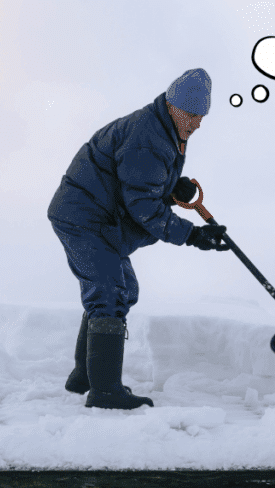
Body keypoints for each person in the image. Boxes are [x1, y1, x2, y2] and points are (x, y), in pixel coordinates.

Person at [47, 68, 230, 410]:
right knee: (110, 292)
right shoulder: (149, 136)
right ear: (172, 105)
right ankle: (104, 392)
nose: (196, 124)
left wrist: (173, 184)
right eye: (190, 115)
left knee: (121, 289)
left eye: (201, 117)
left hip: (99, 216)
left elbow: (136, 179)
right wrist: (192, 235)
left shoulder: (164, 128)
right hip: (86, 217)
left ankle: (84, 376)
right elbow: (143, 207)